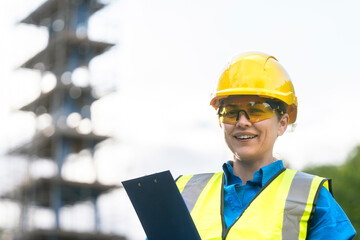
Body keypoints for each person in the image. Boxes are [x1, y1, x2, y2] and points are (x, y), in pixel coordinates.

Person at [176, 52, 356, 239]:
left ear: (282, 123)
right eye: (231, 112)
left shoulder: (312, 198)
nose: (242, 122)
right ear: (221, 122)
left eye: (256, 111)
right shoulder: (184, 192)